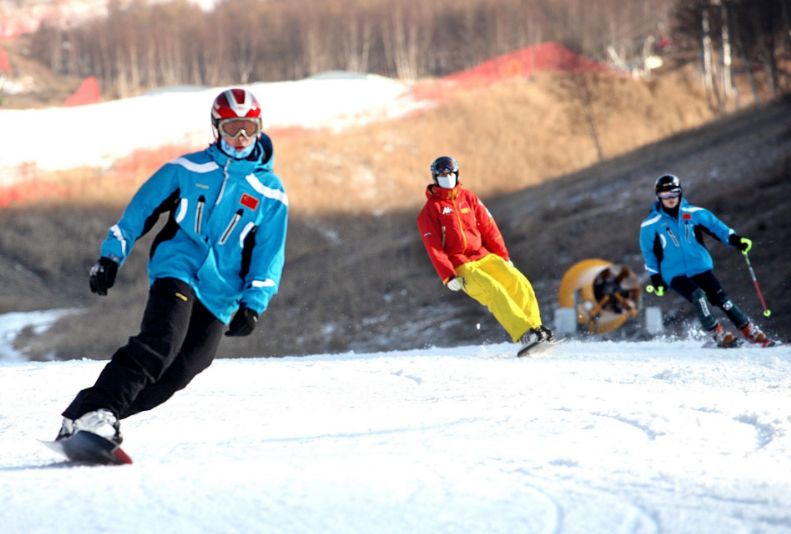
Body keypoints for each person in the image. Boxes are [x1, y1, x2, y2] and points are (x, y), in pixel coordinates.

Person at [57, 88, 289, 443]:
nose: (240, 138)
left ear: (259, 127)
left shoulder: (269, 191)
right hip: (177, 269)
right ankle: (97, 412)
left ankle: (87, 416)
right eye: (231, 128)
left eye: (247, 127)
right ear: (216, 128)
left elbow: (269, 254)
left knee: (181, 370)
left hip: (221, 293)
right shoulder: (186, 169)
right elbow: (140, 212)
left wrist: (254, 303)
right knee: (161, 342)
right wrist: (110, 256)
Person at [416, 155, 553, 354]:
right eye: (442, 175)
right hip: (461, 265)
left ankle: (536, 329)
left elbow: (489, 228)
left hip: (483, 256)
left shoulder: (469, 198)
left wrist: (503, 256)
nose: (447, 177)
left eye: (450, 173)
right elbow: (433, 247)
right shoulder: (430, 211)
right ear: (435, 178)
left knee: (518, 281)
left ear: (457, 174)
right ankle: (524, 333)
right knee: (493, 290)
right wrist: (448, 276)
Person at [639, 174, 774, 347]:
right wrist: (656, 278)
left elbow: (717, 228)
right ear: (658, 197)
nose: (670, 199)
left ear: (680, 193)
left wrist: (736, 240)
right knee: (698, 296)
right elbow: (648, 253)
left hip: (700, 266)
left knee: (723, 300)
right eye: (665, 196)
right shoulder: (650, 224)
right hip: (674, 273)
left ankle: (750, 331)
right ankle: (717, 333)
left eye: (673, 194)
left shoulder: (695, 213)